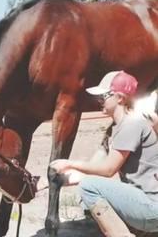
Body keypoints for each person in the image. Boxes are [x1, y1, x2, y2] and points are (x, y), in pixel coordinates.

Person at [50, 70, 158, 237]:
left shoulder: (132, 124)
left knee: (89, 187)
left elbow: (108, 170)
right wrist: (53, 180)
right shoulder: (113, 129)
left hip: (152, 206)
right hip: (144, 203)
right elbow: (95, 167)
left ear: (120, 98)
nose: (99, 101)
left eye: (104, 96)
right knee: (88, 194)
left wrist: (69, 163)